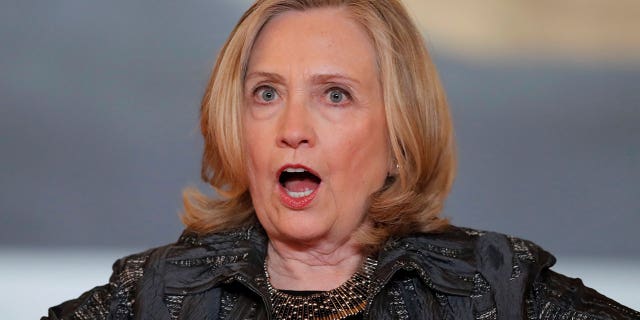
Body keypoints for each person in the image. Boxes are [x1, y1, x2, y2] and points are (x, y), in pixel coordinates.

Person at [44, 0, 639, 319]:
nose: (292, 129)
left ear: (398, 136)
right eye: (267, 94)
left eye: (335, 95)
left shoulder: (500, 291)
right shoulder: (154, 296)